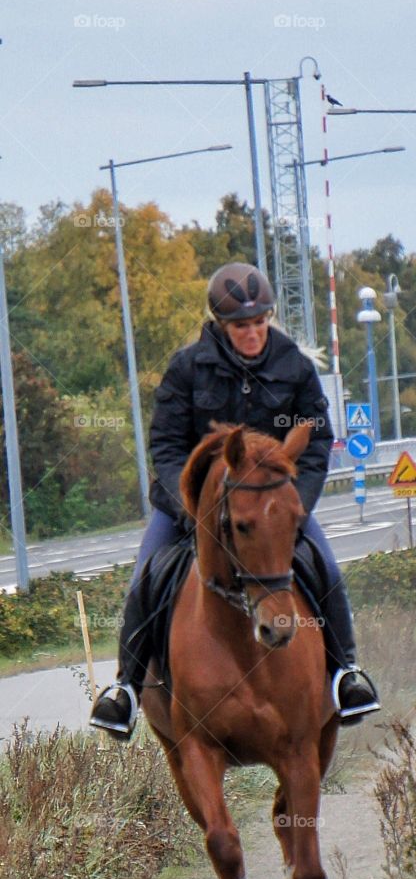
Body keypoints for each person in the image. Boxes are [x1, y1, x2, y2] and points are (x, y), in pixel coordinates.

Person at [89, 262, 379, 739]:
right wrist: (191, 508)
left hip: (269, 512)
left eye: (260, 322)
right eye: (242, 326)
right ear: (222, 326)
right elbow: (164, 446)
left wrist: (296, 506)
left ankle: (347, 673)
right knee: (144, 577)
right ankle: (126, 689)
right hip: (188, 510)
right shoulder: (186, 369)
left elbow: (318, 439)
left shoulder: (295, 367)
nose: (253, 333)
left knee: (325, 568)